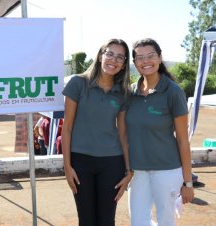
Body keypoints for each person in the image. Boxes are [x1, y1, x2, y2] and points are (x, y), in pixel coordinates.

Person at [62, 38, 133, 226]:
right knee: (86, 220)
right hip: (80, 163)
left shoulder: (123, 92)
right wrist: (67, 166)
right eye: (110, 53)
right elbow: (66, 128)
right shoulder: (78, 83)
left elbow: (123, 134)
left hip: (112, 163)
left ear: (124, 63)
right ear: (101, 55)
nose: (114, 60)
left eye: (120, 57)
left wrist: (129, 170)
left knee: (106, 220)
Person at [126, 38, 194, 226]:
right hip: (137, 171)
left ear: (160, 57)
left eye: (150, 56)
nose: (145, 61)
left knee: (166, 221)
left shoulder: (173, 92)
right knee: (138, 222)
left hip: (167, 170)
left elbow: (182, 140)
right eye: (140, 57)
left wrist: (188, 183)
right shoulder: (130, 92)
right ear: (134, 63)